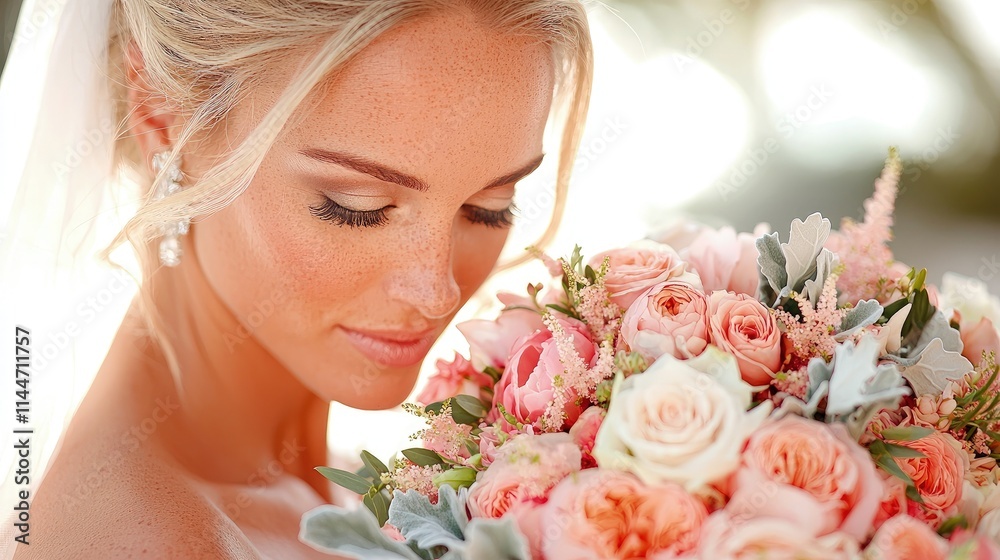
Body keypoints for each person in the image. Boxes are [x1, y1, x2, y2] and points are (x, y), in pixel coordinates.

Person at [1, 0, 592, 558]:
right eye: (354, 205)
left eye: (490, 206)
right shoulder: (135, 543)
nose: (437, 292)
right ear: (161, 113)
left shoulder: (362, 488)